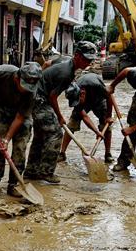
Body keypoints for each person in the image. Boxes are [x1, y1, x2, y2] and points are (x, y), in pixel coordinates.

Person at [23, 40, 98, 185]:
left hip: (36, 96)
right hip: (40, 100)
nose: (88, 63)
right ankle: (46, 172)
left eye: (90, 60)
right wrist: (60, 117)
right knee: (56, 134)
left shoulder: (65, 60)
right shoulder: (66, 73)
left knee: (40, 137)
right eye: (85, 59)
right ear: (77, 55)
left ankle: (31, 171)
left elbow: (47, 64)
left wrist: (44, 78)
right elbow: (52, 97)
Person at [0, 62, 41, 197]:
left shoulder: (32, 92)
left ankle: (13, 184)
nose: (26, 89)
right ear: (17, 78)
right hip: (2, 110)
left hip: (21, 116)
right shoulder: (2, 72)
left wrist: (7, 138)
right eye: (24, 85)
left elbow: (20, 117)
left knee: (20, 148)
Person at [60, 72, 114, 163]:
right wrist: (96, 132)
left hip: (99, 100)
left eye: (79, 101)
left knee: (106, 125)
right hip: (85, 98)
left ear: (82, 93)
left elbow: (109, 98)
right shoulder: (74, 92)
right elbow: (85, 116)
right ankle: (62, 153)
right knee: (72, 124)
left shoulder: (97, 86)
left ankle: (107, 154)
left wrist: (109, 116)